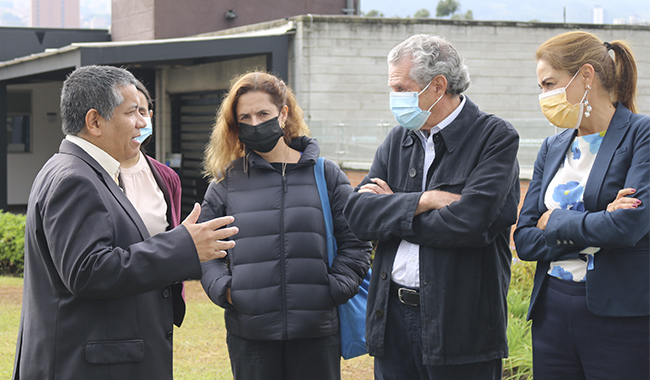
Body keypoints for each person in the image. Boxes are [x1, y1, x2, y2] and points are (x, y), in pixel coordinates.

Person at [13, 65, 238, 380]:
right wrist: (184, 244)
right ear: (95, 121)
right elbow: (88, 271)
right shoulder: (75, 178)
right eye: (133, 112)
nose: (143, 123)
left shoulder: (82, 170)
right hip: (90, 364)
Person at [343, 34, 520, 380]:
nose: (394, 98)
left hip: (461, 326)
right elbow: (359, 217)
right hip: (392, 318)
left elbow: (472, 223)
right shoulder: (398, 139)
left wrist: (393, 210)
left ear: (438, 86)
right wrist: (424, 201)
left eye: (400, 88)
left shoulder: (495, 138)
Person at [199, 71, 372, 380]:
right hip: (250, 335)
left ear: (283, 114)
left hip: (316, 333)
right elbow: (205, 251)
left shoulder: (326, 174)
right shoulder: (227, 184)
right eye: (245, 117)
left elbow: (357, 241)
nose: (254, 123)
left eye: (263, 113)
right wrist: (226, 290)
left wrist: (333, 289)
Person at [513, 31, 649, 379]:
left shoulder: (641, 136)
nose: (545, 96)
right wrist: (600, 220)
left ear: (585, 76)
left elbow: (629, 227)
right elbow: (525, 239)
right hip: (553, 310)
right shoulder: (552, 146)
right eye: (541, 87)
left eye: (549, 83)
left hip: (621, 318)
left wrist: (554, 221)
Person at [120, 80, 186, 325]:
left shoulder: (167, 178)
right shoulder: (93, 174)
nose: (138, 119)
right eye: (130, 111)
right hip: (112, 300)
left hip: (157, 304)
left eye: (143, 111)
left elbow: (172, 235)